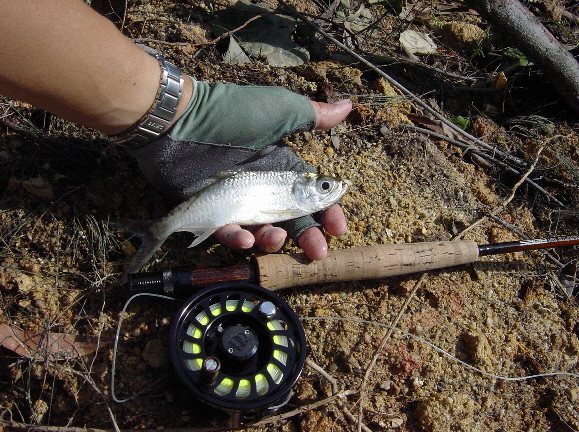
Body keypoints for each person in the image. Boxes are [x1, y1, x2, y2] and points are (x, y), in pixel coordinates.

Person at [0, 0, 352, 260]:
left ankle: (160, 228)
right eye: (323, 186)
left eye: (326, 187)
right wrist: (185, 115)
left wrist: (177, 114)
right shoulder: (288, 186)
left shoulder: (286, 191)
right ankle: (158, 229)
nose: (330, 189)